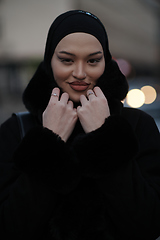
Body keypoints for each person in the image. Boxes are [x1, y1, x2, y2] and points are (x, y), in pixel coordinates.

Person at [0, 10, 160, 240]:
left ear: (106, 61)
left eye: (93, 60)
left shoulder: (137, 126)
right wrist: (49, 141)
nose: (79, 73)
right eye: (66, 60)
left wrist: (104, 137)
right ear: (49, 61)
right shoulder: (16, 130)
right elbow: (9, 228)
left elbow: (149, 225)